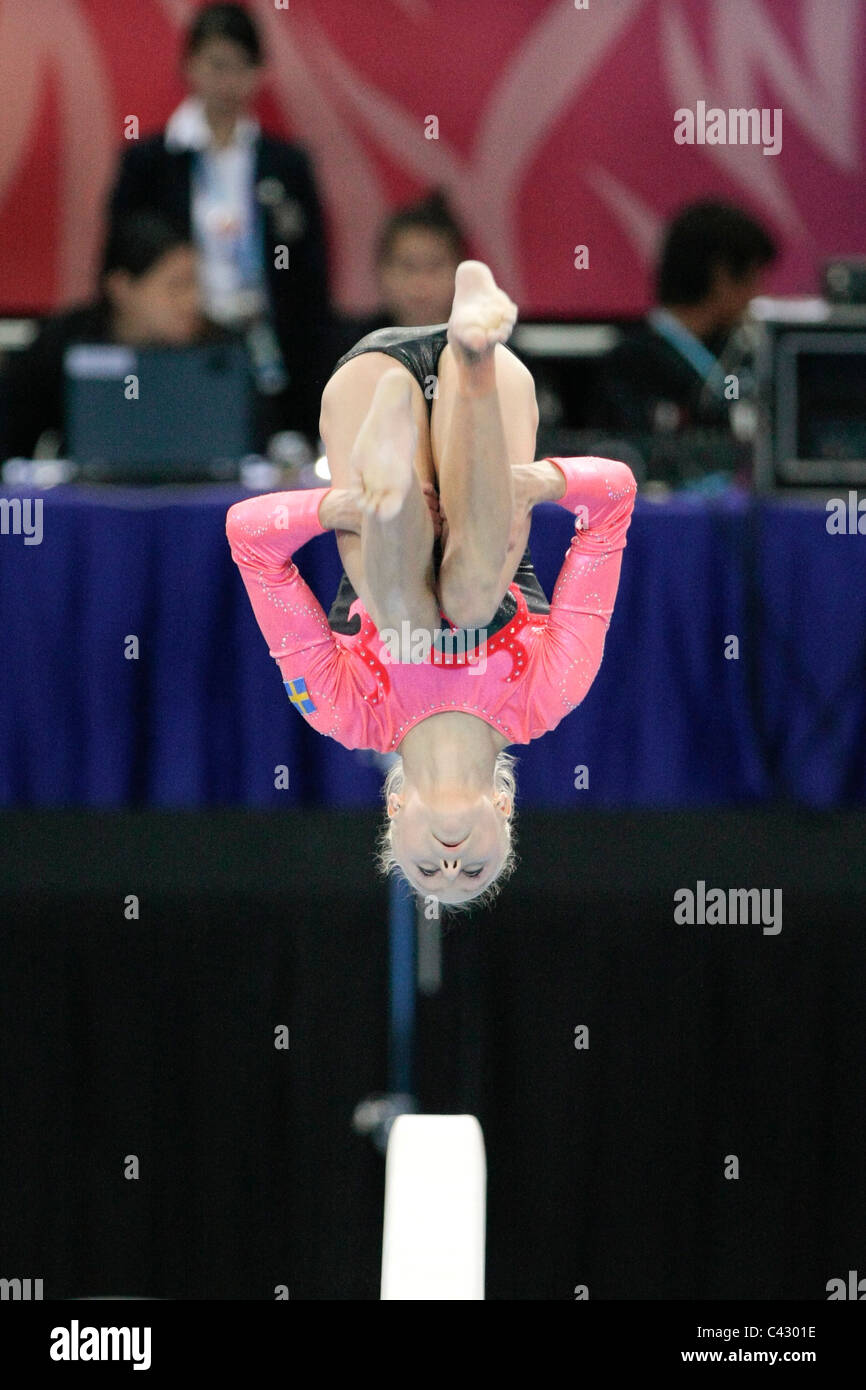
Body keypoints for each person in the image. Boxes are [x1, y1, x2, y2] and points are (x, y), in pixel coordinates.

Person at [226, 261, 637, 912]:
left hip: (369, 382)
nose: (450, 861)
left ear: (393, 809)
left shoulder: (343, 711)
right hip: (487, 402)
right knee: (470, 601)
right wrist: (545, 482)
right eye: (473, 871)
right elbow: (614, 502)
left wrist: (330, 509)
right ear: (504, 810)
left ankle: (390, 472)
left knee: (408, 628)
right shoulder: (547, 695)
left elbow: (250, 540)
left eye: (427, 868)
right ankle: (470, 348)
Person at [107, 2, 330, 445]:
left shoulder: (286, 164)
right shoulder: (149, 163)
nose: (229, 82)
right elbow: (121, 263)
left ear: (259, 72)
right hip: (178, 345)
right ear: (190, 66)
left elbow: (311, 274)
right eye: (217, 65)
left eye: (243, 67)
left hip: (265, 344)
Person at [0, 211, 218, 461]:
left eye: (196, 286)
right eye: (177, 286)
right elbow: (12, 431)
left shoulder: (221, 349)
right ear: (122, 287)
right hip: (85, 496)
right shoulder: (65, 342)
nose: (192, 302)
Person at [594, 200, 777, 439]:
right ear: (720, 276)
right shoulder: (629, 364)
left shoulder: (744, 356)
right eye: (753, 280)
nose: (757, 295)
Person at [330, 190, 467, 361]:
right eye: (408, 267)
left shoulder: (486, 347)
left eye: (434, 266)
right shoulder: (352, 349)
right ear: (381, 271)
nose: (420, 283)